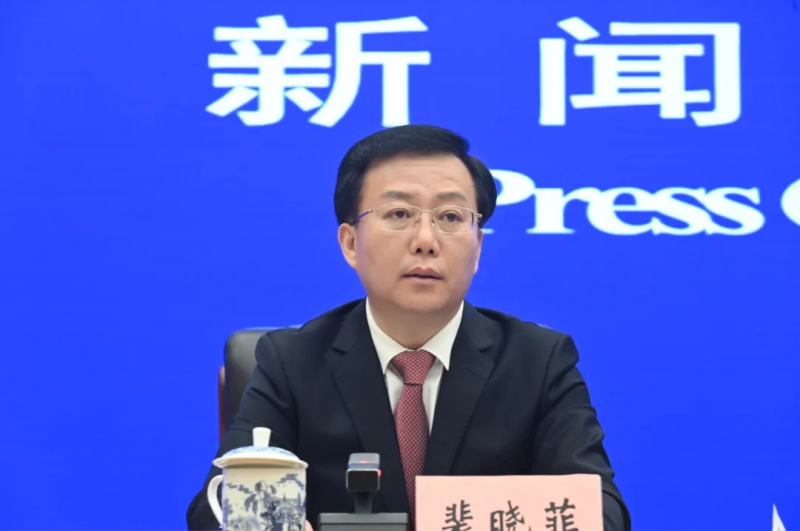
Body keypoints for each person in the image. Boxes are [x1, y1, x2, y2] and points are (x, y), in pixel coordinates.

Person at [186, 125, 631, 531]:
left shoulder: (538, 361)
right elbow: (215, 508)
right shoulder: (292, 361)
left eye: (451, 217)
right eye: (399, 214)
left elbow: (602, 509)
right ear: (350, 243)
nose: (426, 240)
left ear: (477, 248)